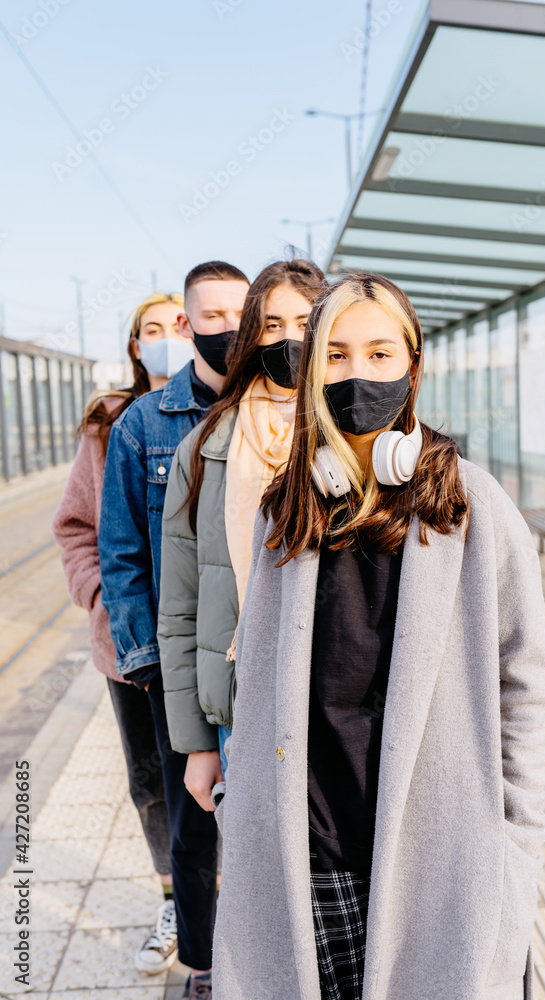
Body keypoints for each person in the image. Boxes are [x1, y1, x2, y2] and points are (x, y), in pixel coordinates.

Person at [211, 272, 545, 1000]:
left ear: (412, 365)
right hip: (308, 846)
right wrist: (239, 809)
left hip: (440, 855)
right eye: (334, 355)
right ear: (311, 372)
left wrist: (514, 844)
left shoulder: (471, 504)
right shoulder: (288, 508)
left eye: (378, 354)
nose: (355, 374)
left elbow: (526, 686)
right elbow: (259, 676)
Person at [99, 261, 249, 1000]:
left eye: (240, 313)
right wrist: (148, 664)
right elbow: (120, 553)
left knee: (265, 811)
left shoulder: (273, 407)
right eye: (212, 315)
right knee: (195, 820)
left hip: (259, 656)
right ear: (188, 323)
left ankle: (263, 952)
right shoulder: (143, 425)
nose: (231, 328)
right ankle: (202, 966)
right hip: (180, 660)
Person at [52, 291, 191, 974]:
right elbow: (75, 525)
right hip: (126, 645)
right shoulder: (109, 424)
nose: (169, 339)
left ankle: (218, 898)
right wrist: (98, 598)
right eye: (153, 331)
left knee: (213, 772)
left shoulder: (222, 411)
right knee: (149, 780)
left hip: (204, 640)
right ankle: (175, 898)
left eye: (182, 326)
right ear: (135, 347)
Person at [157, 259, 326, 814]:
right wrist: (198, 743)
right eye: (272, 325)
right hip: (242, 703)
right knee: (258, 880)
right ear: (251, 335)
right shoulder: (204, 449)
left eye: (304, 322)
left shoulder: (360, 437)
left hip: (341, 703)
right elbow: (181, 604)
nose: (287, 339)